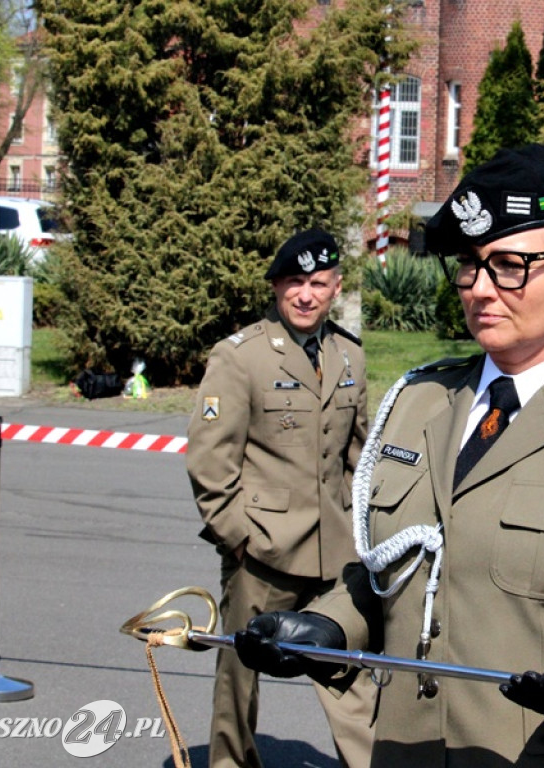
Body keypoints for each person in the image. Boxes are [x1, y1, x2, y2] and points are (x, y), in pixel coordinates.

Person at [234, 145, 544, 767]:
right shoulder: (419, 400)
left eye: (511, 266)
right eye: (470, 266)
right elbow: (394, 566)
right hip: (404, 752)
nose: (480, 289)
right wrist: (330, 625)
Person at [186, 227, 376, 768]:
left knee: (349, 671)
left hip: (335, 553)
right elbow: (210, 458)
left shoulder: (348, 356)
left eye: (318, 282)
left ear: (335, 286)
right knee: (239, 679)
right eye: (294, 281)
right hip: (263, 553)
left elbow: (358, 455)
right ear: (276, 287)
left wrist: (362, 535)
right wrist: (239, 538)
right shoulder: (241, 356)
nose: (305, 294)